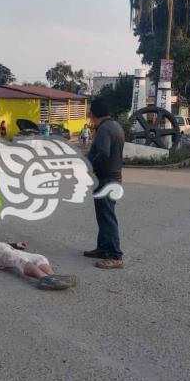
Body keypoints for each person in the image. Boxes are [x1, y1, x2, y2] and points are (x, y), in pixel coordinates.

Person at [84, 97, 125, 269]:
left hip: (107, 180)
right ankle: (102, 249)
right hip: (112, 179)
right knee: (103, 216)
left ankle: (115, 256)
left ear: (93, 114)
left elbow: (102, 153)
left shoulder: (104, 129)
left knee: (107, 218)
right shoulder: (114, 125)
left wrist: (89, 168)